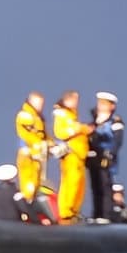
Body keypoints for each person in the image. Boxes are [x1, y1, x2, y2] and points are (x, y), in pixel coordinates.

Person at [50, 91, 91, 223]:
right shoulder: (62, 115)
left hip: (79, 154)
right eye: (74, 100)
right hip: (71, 153)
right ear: (68, 100)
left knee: (79, 183)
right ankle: (66, 211)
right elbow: (60, 133)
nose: (76, 103)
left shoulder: (71, 115)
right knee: (70, 182)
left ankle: (74, 210)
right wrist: (79, 128)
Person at [87, 91, 124, 223]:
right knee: (95, 187)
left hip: (105, 159)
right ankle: (96, 214)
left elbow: (117, 141)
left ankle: (105, 215)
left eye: (104, 104)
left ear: (111, 106)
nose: (100, 106)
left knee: (105, 187)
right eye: (99, 103)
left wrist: (110, 154)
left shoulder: (115, 122)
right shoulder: (94, 122)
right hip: (93, 159)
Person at [12, 93, 50, 207]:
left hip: (36, 155)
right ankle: (27, 206)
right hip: (28, 154)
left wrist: (50, 143)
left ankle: (33, 206)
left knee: (36, 182)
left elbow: (43, 135)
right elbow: (27, 134)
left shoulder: (38, 117)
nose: (40, 106)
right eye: (38, 103)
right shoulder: (26, 116)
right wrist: (39, 144)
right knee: (28, 183)